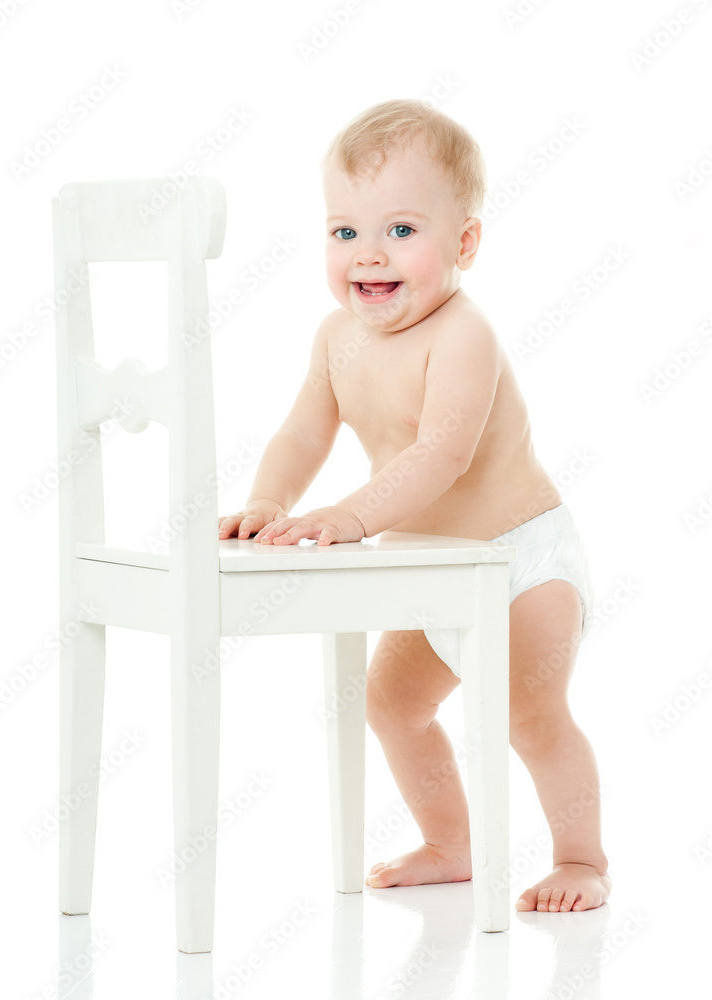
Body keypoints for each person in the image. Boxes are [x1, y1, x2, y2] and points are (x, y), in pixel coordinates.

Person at [218, 98, 611, 914]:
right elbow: (302, 431)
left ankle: (580, 857)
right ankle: (448, 842)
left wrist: (351, 518)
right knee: (392, 705)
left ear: (465, 242)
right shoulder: (336, 339)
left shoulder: (464, 334)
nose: (369, 255)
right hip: (432, 570)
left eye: (401, 231)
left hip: (521, 558)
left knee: (528, 714)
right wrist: (270, 497)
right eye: (344, 232)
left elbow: (444, 452)